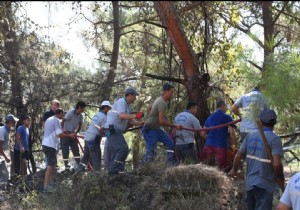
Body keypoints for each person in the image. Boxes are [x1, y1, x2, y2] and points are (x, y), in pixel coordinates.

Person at [229, 109, 285, 210]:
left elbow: (238, 156)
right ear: (274, 123)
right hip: (265, 185)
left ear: (260, 121)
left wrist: (234, 169)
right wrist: (280, 178)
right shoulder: (274, 139)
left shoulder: (250, 136)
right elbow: (276, 164)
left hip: (250, 184)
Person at [104, 87, 144, 175]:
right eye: (134, 96)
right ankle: (113, 172)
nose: (135, 98)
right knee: (123, 149)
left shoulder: (127, 106)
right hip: (112, 130)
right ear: (129, 95)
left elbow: (129, 121)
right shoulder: (122, 102)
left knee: (116, 151)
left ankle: (113, 172)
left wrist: (141, 123)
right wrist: (136, 116)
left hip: (111, 130)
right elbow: (122, 116)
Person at [141, 82, 182, 166]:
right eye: (171, 92)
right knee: (151, 151)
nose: (172, 94)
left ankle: (169, 162)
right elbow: (162, 121)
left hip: (155, 128)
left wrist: (151, 115)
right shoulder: (162, 102)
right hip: (150, 129)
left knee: (170, 143)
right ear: (166, 91)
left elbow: (149, 108)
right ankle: (143, 168)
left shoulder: (159, 99)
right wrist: (174, 126)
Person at [42, 108, 76, 192]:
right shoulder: (56, 120)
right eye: (62, 115)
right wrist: (69, 136)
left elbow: (58, 132)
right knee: (50, 166)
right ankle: (45, 186)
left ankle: (51, 184)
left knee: (52, 165)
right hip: (50, 145)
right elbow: (59, 135)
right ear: (60, 113)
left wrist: (67, 133)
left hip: (46, 144)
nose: (63, 116)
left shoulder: (49, 119)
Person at [199, 100, 236, 171]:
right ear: (222, 106)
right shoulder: (227, 117)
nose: (226, 109)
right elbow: (232, 133)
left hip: (208, 145)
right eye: (226, 107)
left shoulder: (210, 117)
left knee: (203, 167)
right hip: (221, 146)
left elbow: (202, 133)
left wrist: (210, 139)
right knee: (221, 169)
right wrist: (234, 146)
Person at [77, 100, 112, 172]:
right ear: (105, 108)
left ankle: (78, 171)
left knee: (86, 156)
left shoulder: (96, 114)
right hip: (93, 139)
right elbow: (103, 130)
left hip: (87, 138)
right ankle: (97, 177)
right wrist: (109, 134)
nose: (109, 110)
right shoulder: (104, 117)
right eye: (109, 108)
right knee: (96, 158)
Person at [61, 101, 86, 170]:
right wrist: (63, 130)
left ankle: (79, 164)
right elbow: (63, 121)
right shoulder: (71, 112)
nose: (84, 110)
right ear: (79, 107)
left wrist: (76, 132)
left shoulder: (81, 116)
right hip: (66, 133)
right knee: (65, 150)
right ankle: (66, 165)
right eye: (83, 108)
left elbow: (80, 125)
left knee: (75, 149)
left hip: (73, 134)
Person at [0, 114, 18, 189]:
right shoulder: (2, 131)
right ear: (10, 122)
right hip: (1, 155)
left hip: (2, 155)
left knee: (5, 173)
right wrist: (5, 157)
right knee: (4, 174)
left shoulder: (7, 130)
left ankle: (4, 189)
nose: (15, 123)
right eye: (14, 122)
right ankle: (3, 190)